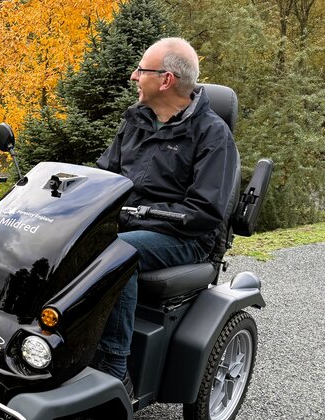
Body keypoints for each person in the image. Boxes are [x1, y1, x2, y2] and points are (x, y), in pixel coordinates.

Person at [94, 38, 240, 394]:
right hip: (130, 224)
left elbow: (205, 212)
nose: (133, 77)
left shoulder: (212, 134)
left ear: (165, 80)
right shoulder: (135, 121)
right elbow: (104, 177)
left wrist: (138, 217)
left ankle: (115, 369)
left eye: (141, 70)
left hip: (185, 239)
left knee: (118, 253)